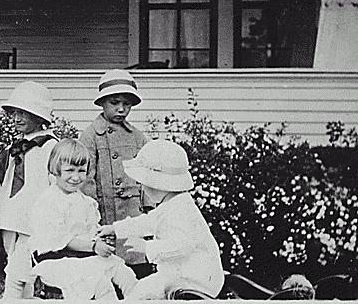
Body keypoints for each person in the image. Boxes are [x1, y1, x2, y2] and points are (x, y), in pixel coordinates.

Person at [97, 140, 225, 300]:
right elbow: (148, 223)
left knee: (141, 292)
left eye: (145, 183)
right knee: (142, 290)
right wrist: (116, 229)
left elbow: (182, 246)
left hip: (192, 280)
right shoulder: (172, 204)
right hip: (181, 275)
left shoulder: (180, 211)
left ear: (159, 184)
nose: (143, 188)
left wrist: (147, 247)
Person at [28, 139, 138, 300]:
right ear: (56, 170)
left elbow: (90, 230)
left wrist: (101, 238)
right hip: (57, 259)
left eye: (81, 171)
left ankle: (138, 299)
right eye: (70, 170)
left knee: (124, 273)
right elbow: (61, 240)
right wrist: (93, 246)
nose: (76, 177)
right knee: (99, 283)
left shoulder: (85, 201)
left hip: (83, 256)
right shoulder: (49, 201)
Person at [0, 81, 58, 299]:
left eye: (23, 113)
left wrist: (55, 217)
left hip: (34, 221)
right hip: (10, 220)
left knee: (18, 271)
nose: (16, 118)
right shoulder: (13, 148)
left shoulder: (51, 148)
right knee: (19, 269)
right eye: (14, 113)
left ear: (39, 115)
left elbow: (57, 185)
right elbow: (4, 185)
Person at [78, 69, 149, 276]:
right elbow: (85, 179)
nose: (121, 109)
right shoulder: (91, 135)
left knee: (136, 265)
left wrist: (147, 207)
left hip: (132, 211)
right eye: (115, 103)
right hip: (105, 212)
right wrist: (92, 213)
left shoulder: (137, 137)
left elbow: (146, 175)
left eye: (126, 104)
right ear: (102, 102)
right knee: (107, 268)